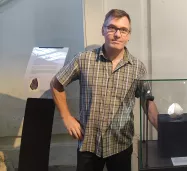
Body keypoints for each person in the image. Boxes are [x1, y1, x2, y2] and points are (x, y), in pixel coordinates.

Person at [50, 9, 159, 171]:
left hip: (120, 145)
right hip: (89, 144)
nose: (117, 34)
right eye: (112, 28)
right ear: (103, 30)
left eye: (123, 30)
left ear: (128, 35)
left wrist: (165, 133)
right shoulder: (84, 59)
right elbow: (56, 84)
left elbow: (147, 102)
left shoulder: (137, 68)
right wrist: (67, 117)